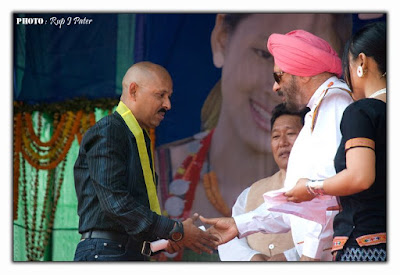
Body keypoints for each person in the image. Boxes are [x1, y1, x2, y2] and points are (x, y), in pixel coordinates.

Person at [155, 15, 352, 261]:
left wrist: (309, 258)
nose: (275, 87)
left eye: (279, 76)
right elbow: (297, 202)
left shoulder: (334, 104)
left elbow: (324, 197)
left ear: (302, 74)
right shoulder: (320, 110)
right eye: (260, 54)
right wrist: (239, 225)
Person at [73, 61, 218, 261]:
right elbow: (115, 203)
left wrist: (168, 239)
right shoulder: (110, 130)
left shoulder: (137, 137)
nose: (168, 105)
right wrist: (175, 230)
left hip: (125, 253)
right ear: (133, 91)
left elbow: (129, 222)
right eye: (161, 95)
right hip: (106, 253)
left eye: (169, 97)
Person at [285, 22, 386, 261]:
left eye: (347, 67)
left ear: (361, 62)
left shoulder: (361, 112)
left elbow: (360, 176)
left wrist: (311, 187)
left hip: (367, 245)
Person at [218, 103, 306, 261]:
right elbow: (230, 241)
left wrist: (289, 257)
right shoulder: (250, 193)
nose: (282, 142)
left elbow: (327, 235)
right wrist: (252, 258)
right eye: (276, 136)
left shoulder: (320, 187)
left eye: (291, 133)